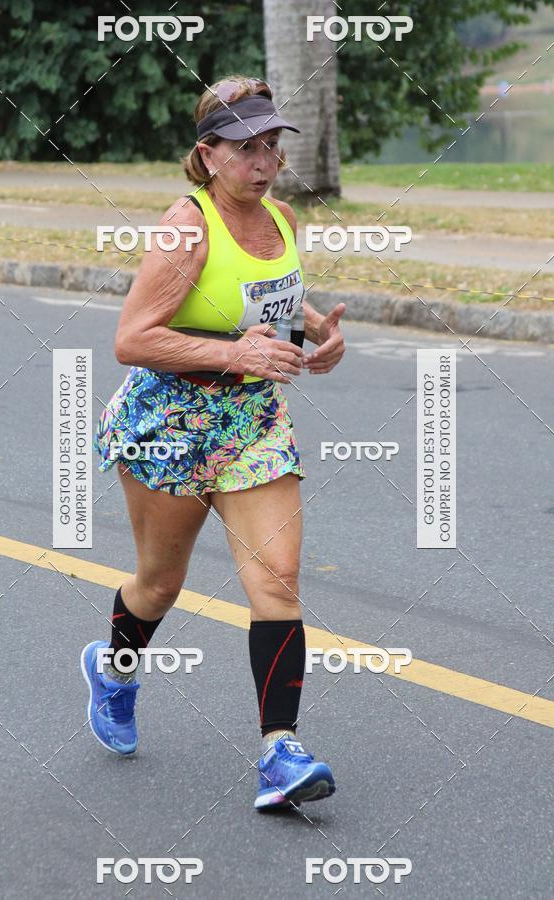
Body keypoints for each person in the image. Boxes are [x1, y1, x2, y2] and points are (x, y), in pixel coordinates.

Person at [82, 74, 346, 810]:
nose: (263, 164)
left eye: (271, 147)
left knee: (278, 582)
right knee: (160, 584)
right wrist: (239, 354)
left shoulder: (285, 219)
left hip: (253, 422)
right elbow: (132, 339)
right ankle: (116, 671)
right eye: (244, 150)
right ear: (208, 155)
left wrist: (317, 334)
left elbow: (266, 303)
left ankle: (279, 753)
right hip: (171, 421)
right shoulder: (184, 225)